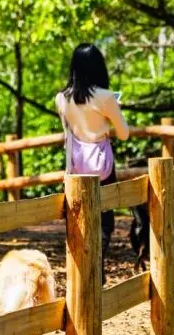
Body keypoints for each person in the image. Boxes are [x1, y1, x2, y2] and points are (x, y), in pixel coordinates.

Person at [56, 43, 130, 284]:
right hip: (102, 165)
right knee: (105, 221)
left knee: (77, 218)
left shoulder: (61, 98)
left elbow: (67, 132)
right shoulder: (106, 97)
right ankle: (95, 266)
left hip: (76, 164)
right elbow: (124, 133)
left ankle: (82, 270)